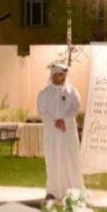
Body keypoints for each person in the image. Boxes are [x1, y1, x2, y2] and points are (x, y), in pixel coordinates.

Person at [36, 62, 84, 199]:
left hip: (67, 131)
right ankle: (53, 191)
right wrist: (55, 122)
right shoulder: (44, 93)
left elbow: (75, 108)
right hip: (51, 132)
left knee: (70, 159)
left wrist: (64, 120)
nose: (61, 77)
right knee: (53, 160)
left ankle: (74, 189)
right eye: (58, 75)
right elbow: (42, 111)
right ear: (53, 76)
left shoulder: (72, 91)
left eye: (63, 75)